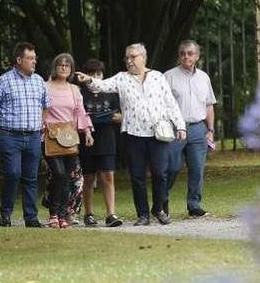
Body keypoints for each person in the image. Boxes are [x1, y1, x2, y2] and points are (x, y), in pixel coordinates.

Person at [75, 43, 186, 226]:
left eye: (133, 57)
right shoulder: (121, 78)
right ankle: (143, 215)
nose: (129, 61)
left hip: (158, 133)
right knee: (137, 176)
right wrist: (88, 80)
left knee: (160, 173)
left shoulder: (158, 77)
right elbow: (101, 86)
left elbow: (170, 103)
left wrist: (180, 126)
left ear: (143, 58)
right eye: (127, 57)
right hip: (133, 134)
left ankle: (158, 208)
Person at [0, 42, 51, 228]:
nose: (34, 62)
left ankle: (31, 218)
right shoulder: (4, 80)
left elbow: (46, 106)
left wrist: (41, 124)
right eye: (30, 58)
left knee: (31, 177)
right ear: (19, 60)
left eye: (35, 58)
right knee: (12, 174)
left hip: (32, 136)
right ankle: (5, 215)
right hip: (9, 135)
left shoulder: (39, 81)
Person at [165, 40, 217, 217]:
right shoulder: (168, 76)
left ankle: (194, 205)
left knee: (197, 169)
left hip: (197, 129)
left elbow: (209, 105)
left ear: (197, 56)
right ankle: (162, 201)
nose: (185, 56)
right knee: (171, 167)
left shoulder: (204, 78)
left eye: (189, 53)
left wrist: (210, 130)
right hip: (175, 130)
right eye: (182, 53)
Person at [42, 53, 94, 228]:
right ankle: (53, 213)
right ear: (55, 67)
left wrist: (87, 132)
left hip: (70, 137)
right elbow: (39, 110)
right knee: (58, 173)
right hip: (50, 136)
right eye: (60, 65)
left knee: (67, 177)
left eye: (67, 65)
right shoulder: (44, 87)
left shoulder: (74, 89)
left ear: (71, 69)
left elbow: (80, 112)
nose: (64, 68)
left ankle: (63, 215)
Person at [78, 59, 124, 227]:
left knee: (108, 176)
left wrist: (115, 117)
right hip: (86, 139)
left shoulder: (111, 92)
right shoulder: (79, 93)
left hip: (107, 137)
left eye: (98, 74)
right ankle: (88, 213)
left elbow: (122, 115)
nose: (95, 77)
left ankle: (111, 214)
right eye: (91, 74)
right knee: (88, 177)